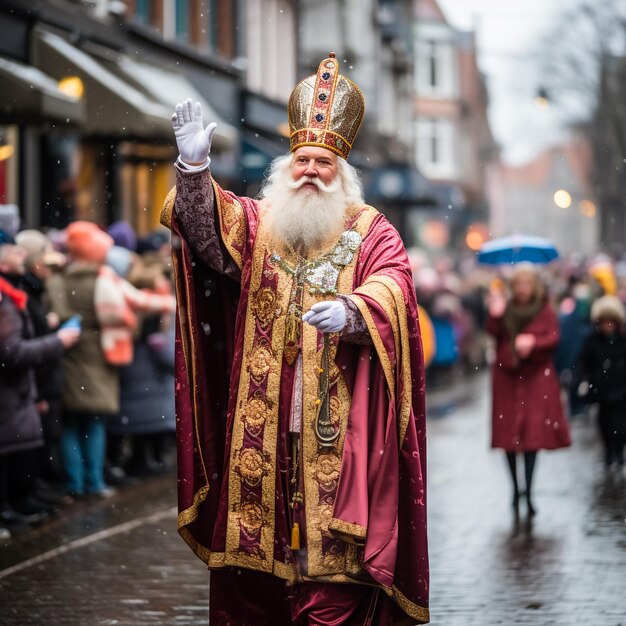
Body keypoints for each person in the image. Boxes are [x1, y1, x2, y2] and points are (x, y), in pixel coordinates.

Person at [162, 54, 429, 625]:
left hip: (337, 418)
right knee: (262, 556)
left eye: (322, 162)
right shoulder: (261, 222)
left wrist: (356, 311)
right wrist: (193, 168)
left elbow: (396, 284)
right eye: (302, 159)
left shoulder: (370, 228)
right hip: (261, 416)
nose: (310, 170)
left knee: (329, 559)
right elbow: (206, 239)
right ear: (287, 166)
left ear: (342, 171)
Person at [0, 237, 80, 535]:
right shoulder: (8, 297)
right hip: (15, 390)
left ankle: (16, 502)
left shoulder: (15, 293)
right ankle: (10, 506)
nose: (21, 256)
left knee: (19, 449)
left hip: (22, 389)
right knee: (12, 451)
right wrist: (55, 340)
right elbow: (11, 351)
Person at [486, 264, 571, 518]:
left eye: (526, 284)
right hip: (507, 377)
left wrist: (533, 343)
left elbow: (554, 338)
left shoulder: (544, 309)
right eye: (518, 284)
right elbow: (493, 333)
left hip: (535, 377)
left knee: (532, 435)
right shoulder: (505, 307)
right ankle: (515, 489)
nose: (522, 289)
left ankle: (529, 491)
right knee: (508, 436)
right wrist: (495, 314)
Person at [578, 295, 626, 469]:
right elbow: (585, 362)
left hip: (621, 389)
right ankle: (609, 451)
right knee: (604, 422)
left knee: (620, 426)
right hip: (602, 389)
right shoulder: (592, 341)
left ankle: (619, 451)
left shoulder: (622, 341)